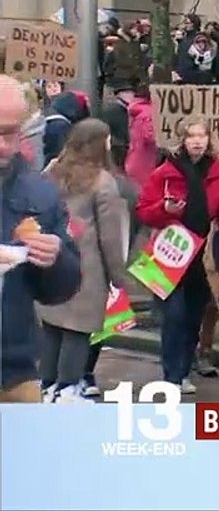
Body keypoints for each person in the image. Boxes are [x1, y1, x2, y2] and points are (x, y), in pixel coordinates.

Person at [136, 120, 219, 393]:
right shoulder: (165, 173)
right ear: (182, 140)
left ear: (209, 140)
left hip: (202, 258)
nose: (197, 141)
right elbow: (144, 211)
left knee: (193, 317)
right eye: (191, 136)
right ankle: (172, 376)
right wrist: (165, 209)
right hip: (169, 255)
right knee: (173, 316)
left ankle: (183, 370)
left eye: (202, 136)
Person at [37, 119, 131, 403]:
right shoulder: (103, 182)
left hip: (52, 261)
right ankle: (68, 390)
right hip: (87, 270)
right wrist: (118, 276)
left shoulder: (52, 171)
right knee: (78, 332)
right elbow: (110, 236)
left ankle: (46, 387)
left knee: (52, 329)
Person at [0, 75, 81, 402]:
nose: (4, 146)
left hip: (12, 374)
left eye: (11, 133)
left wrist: (55, 259)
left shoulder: (39, 193)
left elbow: (62, 289)